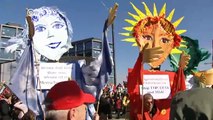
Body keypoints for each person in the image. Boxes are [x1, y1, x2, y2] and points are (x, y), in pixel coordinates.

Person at [120, 2, 190, 120]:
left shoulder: (172, 77)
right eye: (147, 37)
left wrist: (181, 70)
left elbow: (180, 93)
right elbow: (133, 88)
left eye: (164, 40)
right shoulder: (137, 74)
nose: (155, 45)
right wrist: (141, 59)